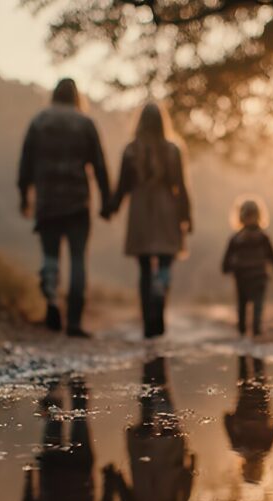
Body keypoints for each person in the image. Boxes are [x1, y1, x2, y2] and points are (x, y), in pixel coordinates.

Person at [18, 78, 111, 338]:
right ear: (76, 96)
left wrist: (24, 194)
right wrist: (106, 201)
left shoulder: (40, 121)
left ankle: (50, 301)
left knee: (50, 256)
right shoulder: (85, 123)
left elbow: (26, 161)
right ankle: (74, 321)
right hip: (77, 202)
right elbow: (100, 165)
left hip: (47, 200)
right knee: (78, 260)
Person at [105, 103, 192, 339]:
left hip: (141, 209)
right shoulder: (173, 150)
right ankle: (160, 296)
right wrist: (186, 216)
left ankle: (148, 323)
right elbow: (181, 187)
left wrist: (110, 208)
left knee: (144, 269)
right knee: (165, 261)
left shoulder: (131, 150)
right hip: (167, 208)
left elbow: (122, 186)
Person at [117, 357, 195, 501]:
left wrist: (190, 468)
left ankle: (157, 363)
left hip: (170, 468)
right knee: (147, 411)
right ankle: (149, 363)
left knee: (167, 413)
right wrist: (117, 479)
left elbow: (185, 500)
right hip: (143, 469)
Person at [222, 197, 273, 336]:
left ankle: (243, 328)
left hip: (242, 276)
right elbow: (272, 255)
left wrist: (227, 268)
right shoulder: (263, 237)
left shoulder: (236, 238)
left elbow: (227, 259)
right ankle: (255, 327)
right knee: (257, 304)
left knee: (242, 303)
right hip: (259, 275)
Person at [224, 355, 273, 483]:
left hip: (259, 410)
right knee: (245, 380)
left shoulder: (263, 450)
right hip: (245, 410)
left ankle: (255, 354)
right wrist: (230, 418)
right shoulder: (239, 447)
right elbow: (227, 422)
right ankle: (245, 354)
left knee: (259, 379)